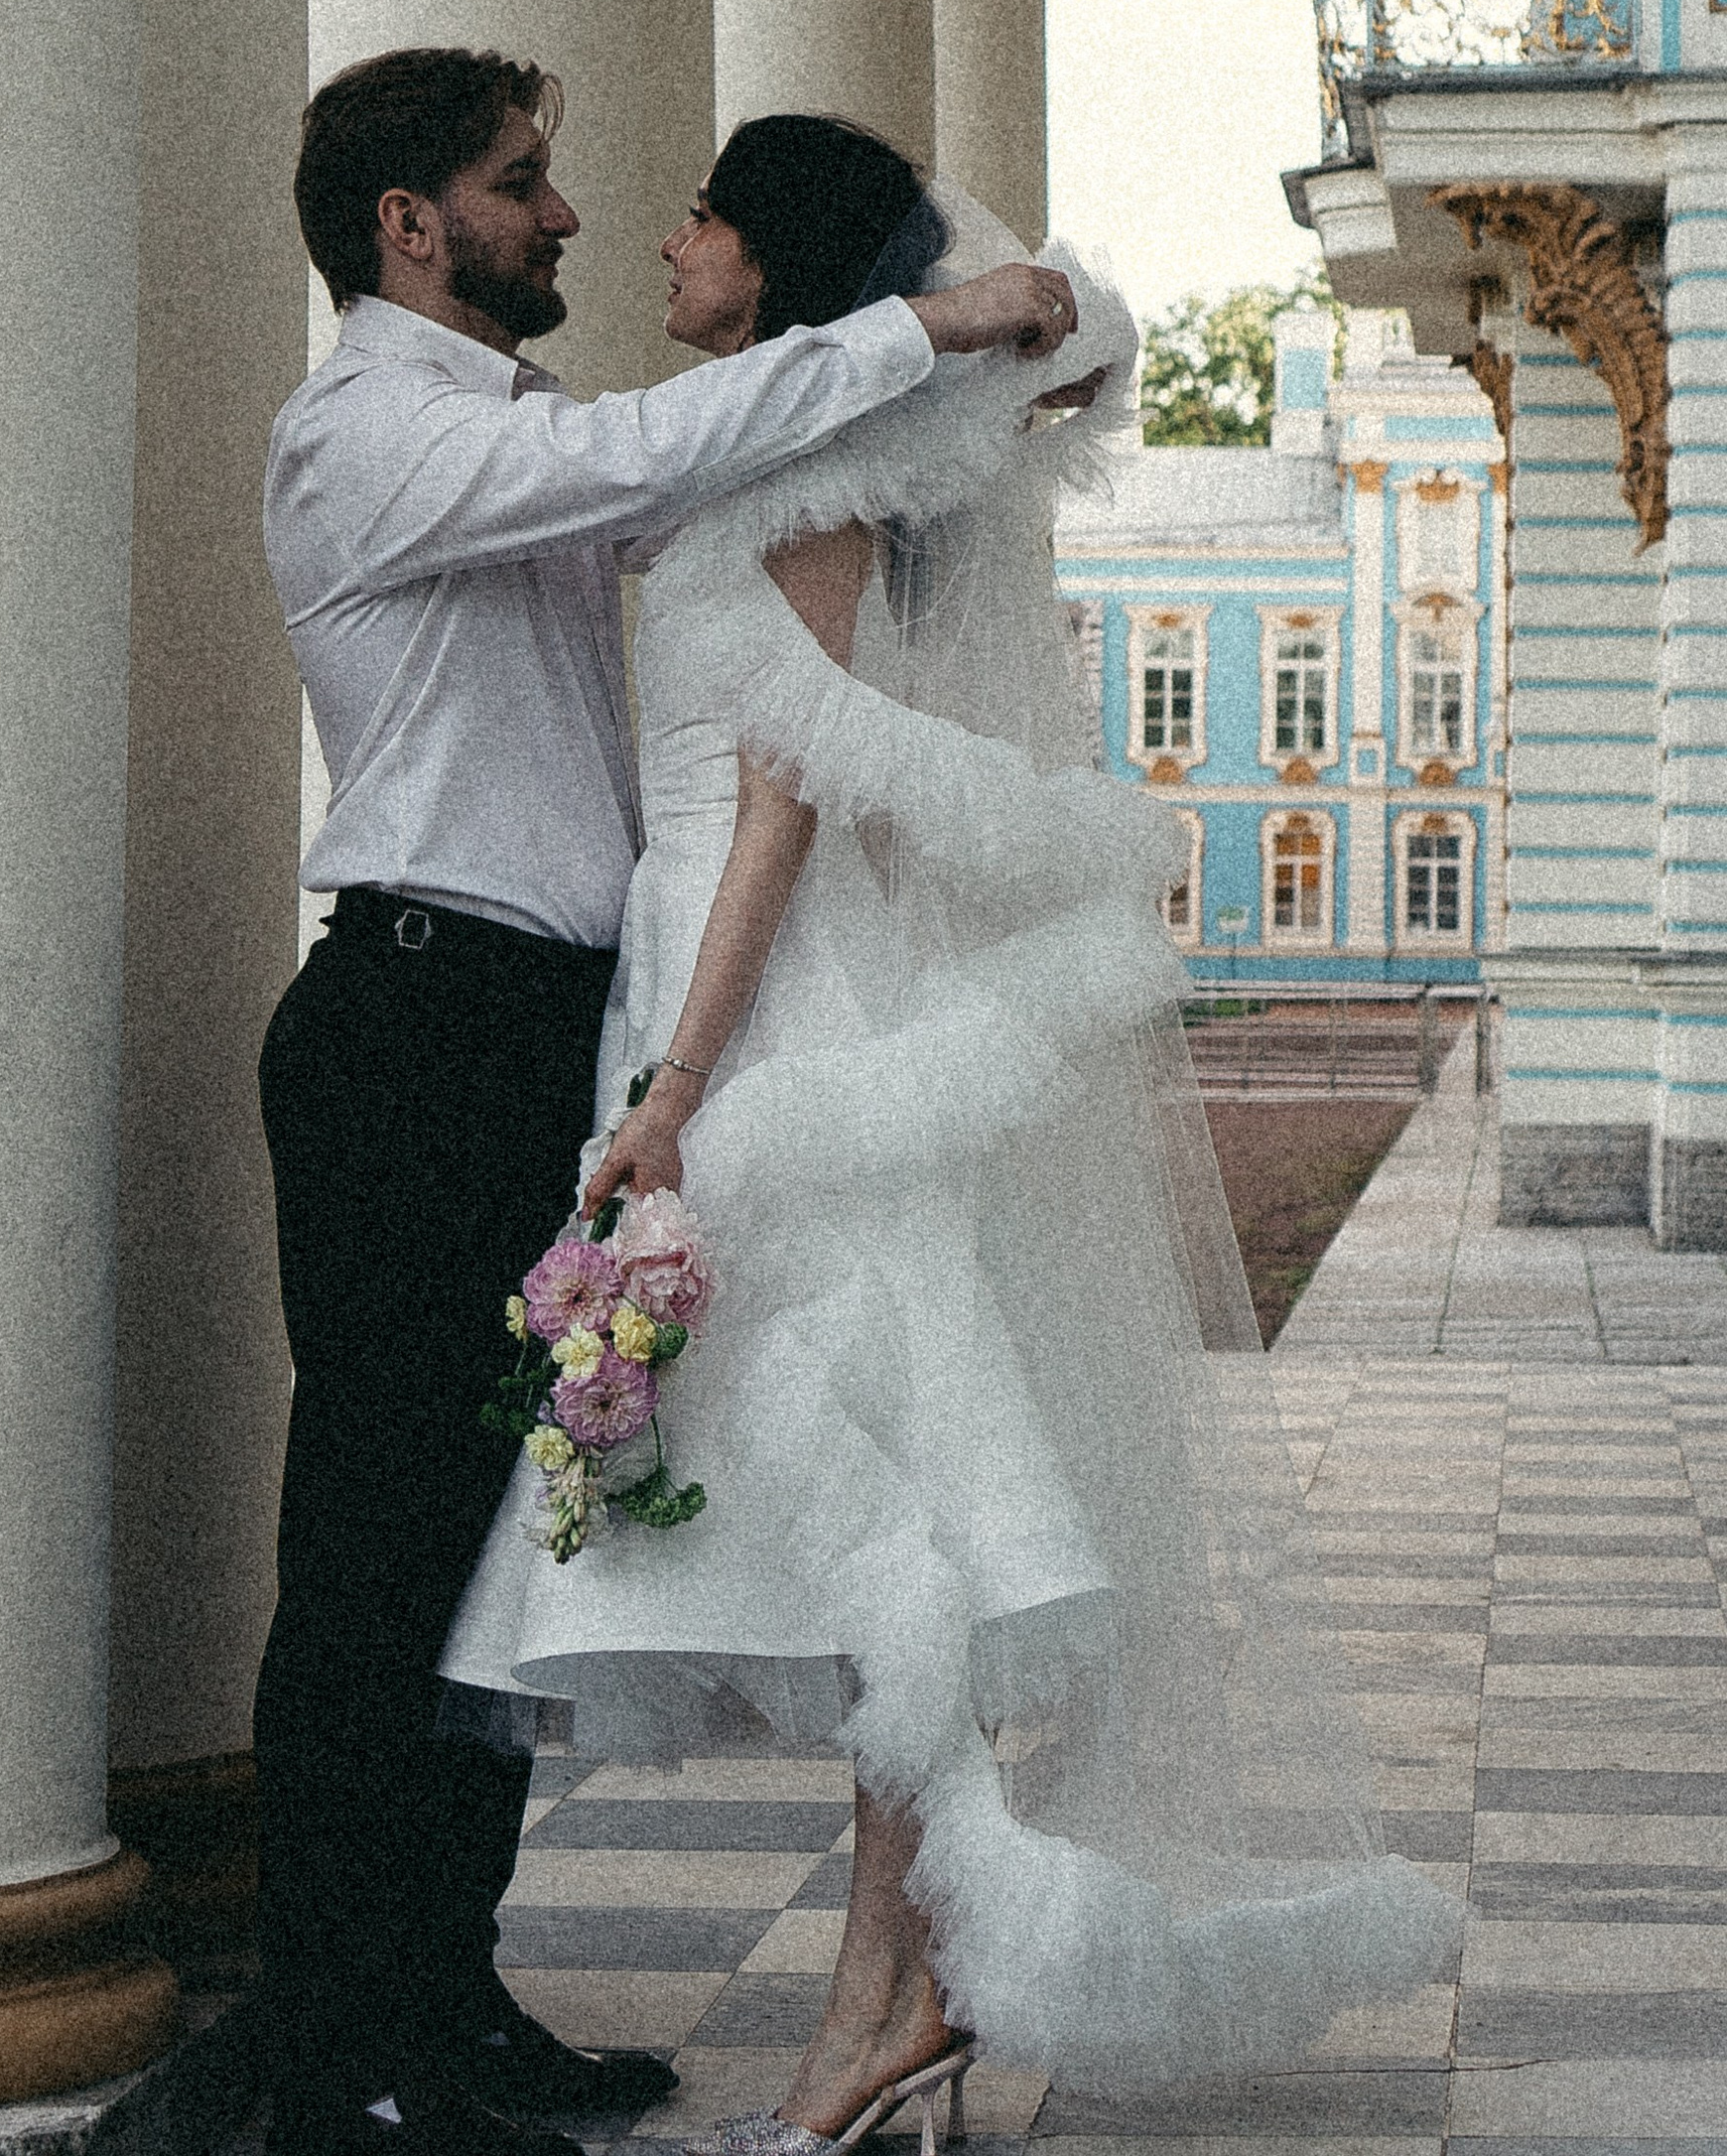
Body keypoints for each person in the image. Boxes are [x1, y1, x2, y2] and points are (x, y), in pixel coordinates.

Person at [444, 115, 1461, 2145]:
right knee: (867, 1523)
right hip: (722, 985)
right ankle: (892, 1991)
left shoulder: (814, 493)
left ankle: (884, 1997)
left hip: (775, 1009)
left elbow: (777, 811)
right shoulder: (766, 453)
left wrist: (672, 1091)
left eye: (704, 216)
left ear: (781, 259)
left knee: (900, 1512)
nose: (663, 235)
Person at [254, 52, 1089, 2156]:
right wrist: (920, 319)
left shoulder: (532, 430)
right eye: (523, 186)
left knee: (467, 1562)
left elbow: (741, 466)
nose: (572, 221)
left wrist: (969, 389)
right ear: (407, 227)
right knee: (370, 1560)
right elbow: (685, 435)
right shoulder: (366, 436)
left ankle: (447, 2004)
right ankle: (335, 2034)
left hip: (536, 1025)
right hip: (413, 1018)